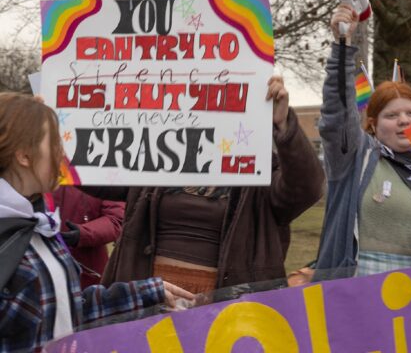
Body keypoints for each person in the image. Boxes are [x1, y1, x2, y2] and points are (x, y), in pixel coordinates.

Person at [81, 76, 324, 294]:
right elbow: (90, 176)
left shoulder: (257, 170)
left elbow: (307, 188)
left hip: (228, 311)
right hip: (148, 303)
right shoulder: (156, 158)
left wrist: (284, 125)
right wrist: (55, 126)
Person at [0, 93, 193, 352]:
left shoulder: (35, 226)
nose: (63, 153)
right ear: (24, 155)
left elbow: (67, 309)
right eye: (55, 142)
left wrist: (146, 292)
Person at [315, 4, 411, 278]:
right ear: (373, 124)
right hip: (356, 294)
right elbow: (337, 115)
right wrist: (342, 48)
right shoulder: (356, 159)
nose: (404, 120)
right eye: (391, 115)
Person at [52, 187, 125, 288]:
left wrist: (83, 234)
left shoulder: (98, 175)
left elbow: (117, 218)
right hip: (37, 270)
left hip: (87, 273)